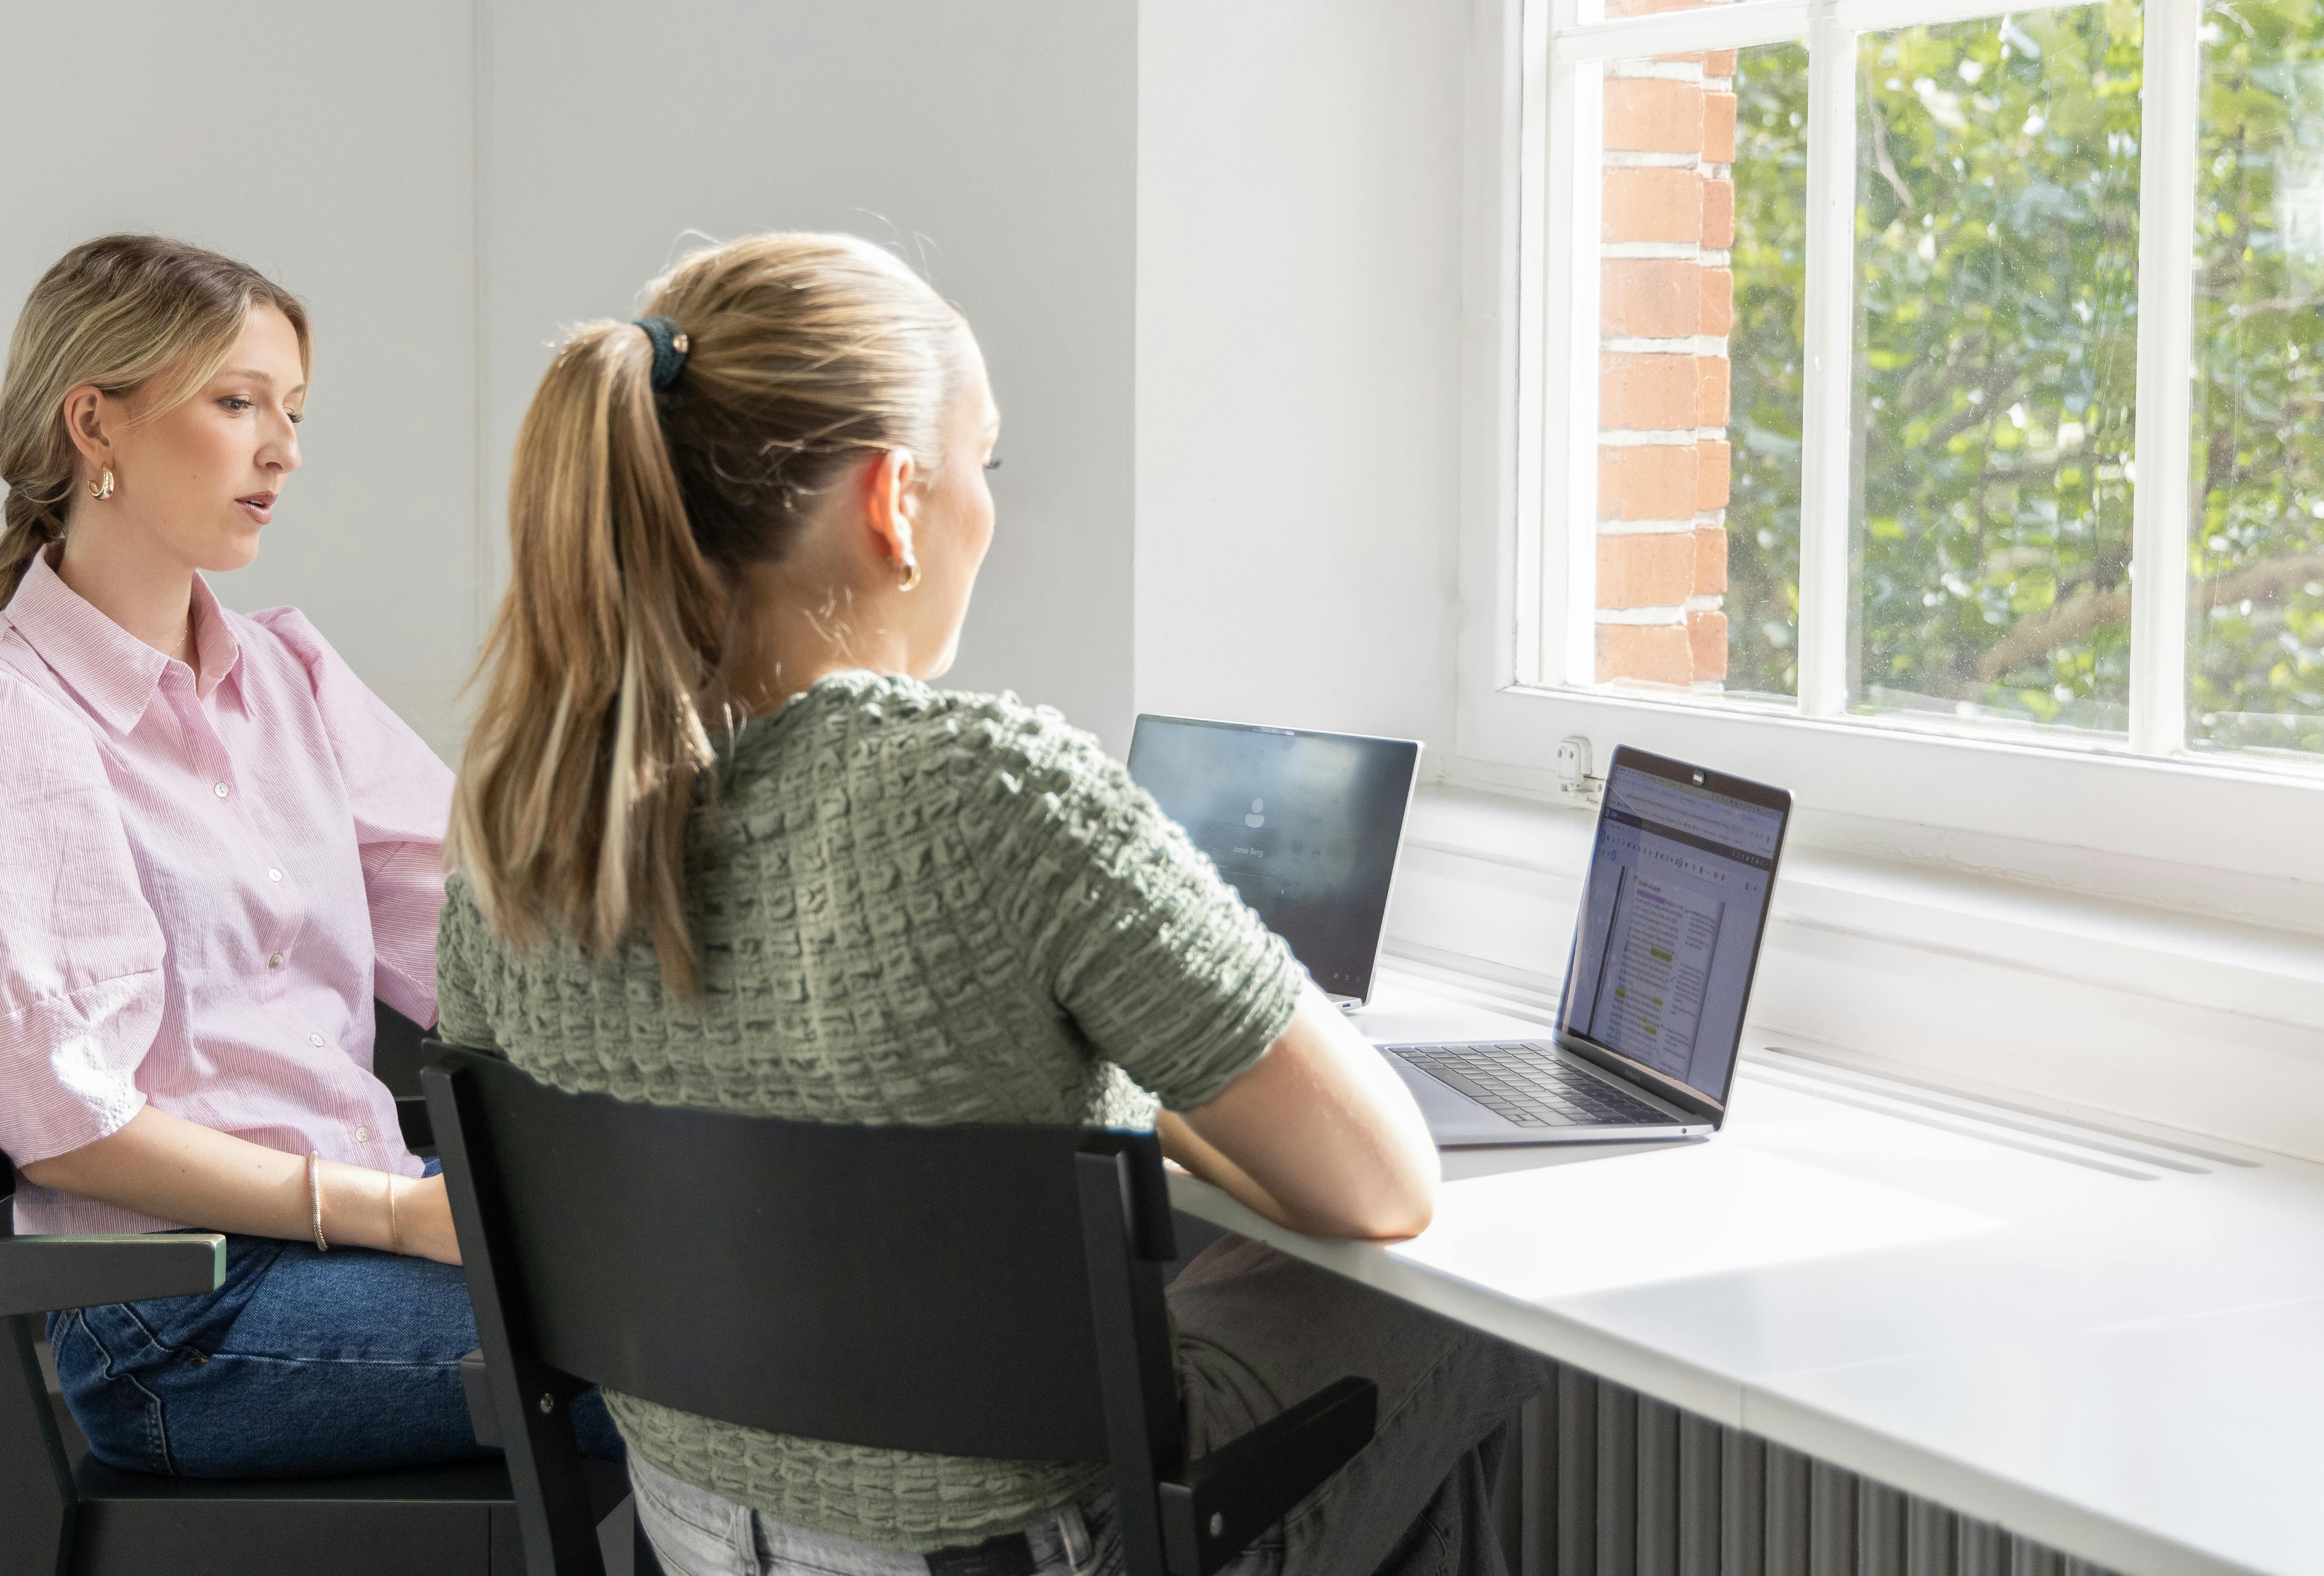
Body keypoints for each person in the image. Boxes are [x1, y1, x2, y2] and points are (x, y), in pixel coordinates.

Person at [436, 233, 1545, 1576]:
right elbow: (1384, 1179)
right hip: (1030, 1554)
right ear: (895, 499)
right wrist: (1138, 1086)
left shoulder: (511, 837)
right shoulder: (989, 796)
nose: (990, 504)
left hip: (684, 1539)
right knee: (1461, 1313)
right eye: (988, 461)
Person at [0, 233, 613, 1477]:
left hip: (370, 1224)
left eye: (295, 410)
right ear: (94, 426)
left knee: (731, 1310)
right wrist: (395, 1211)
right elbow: (69, 1126)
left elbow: (481, 949)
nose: (285, 449)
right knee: (676, 1369)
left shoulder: (293, 674)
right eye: (238, 403)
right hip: (180, 1315)